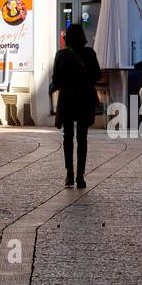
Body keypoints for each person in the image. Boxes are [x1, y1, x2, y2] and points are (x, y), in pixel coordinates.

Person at [49, 23, 102, 190]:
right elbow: (97, 75)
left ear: (67, 38)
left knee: (68, 137)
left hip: (67, 100)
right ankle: (80, 176)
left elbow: (56, 80)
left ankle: (69, 174)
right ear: (83, 37)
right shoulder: (90, 53)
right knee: (82, 138)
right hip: (84, 98)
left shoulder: (61, 55)